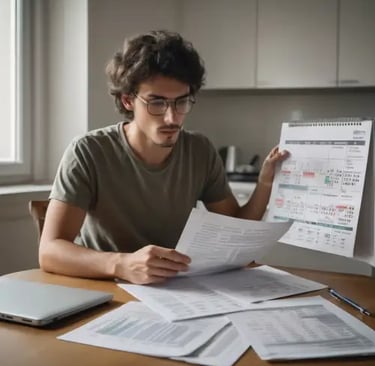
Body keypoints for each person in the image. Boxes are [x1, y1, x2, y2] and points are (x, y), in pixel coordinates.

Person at [39, 30, 288, 284]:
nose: (172, 118)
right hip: (105, 290)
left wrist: (265, 183)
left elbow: (236, 229)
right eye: (156, 103)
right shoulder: (88, 151)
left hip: (176, 292)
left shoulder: (199, 150)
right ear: (127, 100)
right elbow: (49, 251)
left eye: (181, 102)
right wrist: (121, 264)